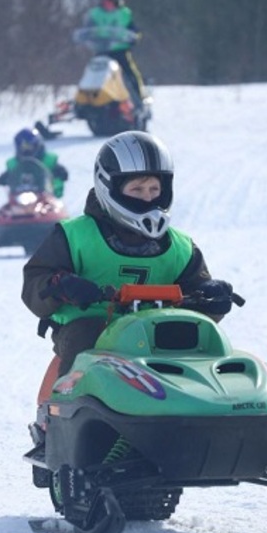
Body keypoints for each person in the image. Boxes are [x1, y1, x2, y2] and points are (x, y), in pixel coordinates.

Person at [22, 131, 235, 376]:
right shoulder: (74, 236)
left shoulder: (180, 247)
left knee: (198, 339)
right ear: (109, 187)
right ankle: (73, 403)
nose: (148, 197)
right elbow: (34, 285)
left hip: (159, 333)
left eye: (155, 189)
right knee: (87, 335)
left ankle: (206, 399)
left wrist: (213, 298)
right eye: (137, 189)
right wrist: (60, 285)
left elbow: (199, 304)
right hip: (91, 333)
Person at [80, 0, 147, 108]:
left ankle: (139, 99)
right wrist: (85, 37)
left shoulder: (125, 13)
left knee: (130, 73)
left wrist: (134, 38)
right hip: (101, 50)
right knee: (92, 74)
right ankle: (87, 101)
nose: (109, 1)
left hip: (120, 50)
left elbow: (134, 30)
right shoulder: (95, 14)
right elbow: (87, 30)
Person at [0, 128, 69, 197]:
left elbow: (61, 173)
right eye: (23, 147)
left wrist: (60, 173)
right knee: (6, 208)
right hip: (21, 198)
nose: (26, 150)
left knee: (56, 207)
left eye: (29, 146)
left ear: (38, 145)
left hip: (47, 197)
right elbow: (9, 174)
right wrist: (5, 177)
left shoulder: (48, 160)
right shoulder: (14, 163)